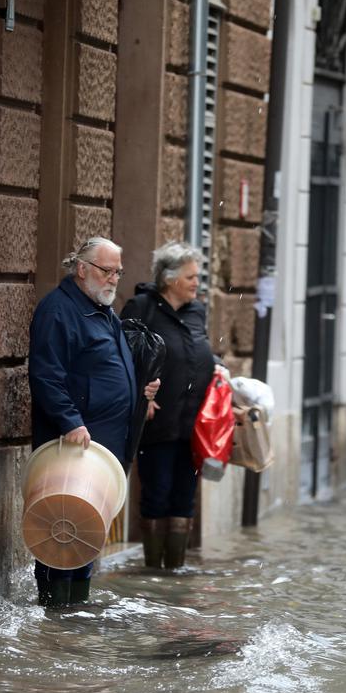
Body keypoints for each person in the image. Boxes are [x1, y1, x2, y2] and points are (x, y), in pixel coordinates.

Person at [28, 237, 159, 607]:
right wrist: (70, 421)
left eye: (118, 271)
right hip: (74, 444)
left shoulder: (101, 309)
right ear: (82, 268)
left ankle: (75, 614)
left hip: (103, 445)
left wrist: (140, 394)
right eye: (107, 270)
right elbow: (46, 375)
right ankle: (55, 612)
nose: (114, 279)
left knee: (87, 533)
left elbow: (109, 366)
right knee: (62, 532)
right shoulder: (58, 311)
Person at [121, 241, 222, 570]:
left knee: (184, 496)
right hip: (158, 422)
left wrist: (220, 373)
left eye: (197, 276)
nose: (197, 283)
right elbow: (125, 359)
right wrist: (140, 398)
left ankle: (175, 571)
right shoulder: (142, 307)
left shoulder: (197, 310)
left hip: (194, 423)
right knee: (158, 492)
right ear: (170, 279)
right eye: (191, 277)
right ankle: (153, 570)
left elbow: (200, 353)